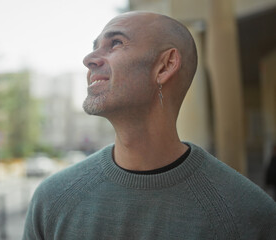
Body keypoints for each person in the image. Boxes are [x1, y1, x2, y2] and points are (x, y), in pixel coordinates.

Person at [23, 11, 276, 239]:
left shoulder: (249, 216)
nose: (89, 59)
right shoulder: (51, 201)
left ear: (165, 66)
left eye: (116, 43)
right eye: (94, 47)